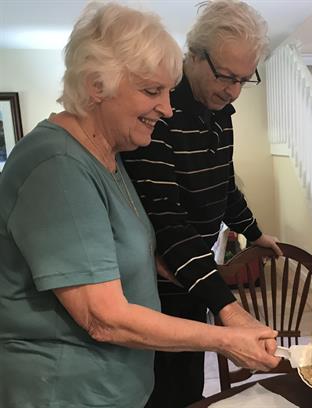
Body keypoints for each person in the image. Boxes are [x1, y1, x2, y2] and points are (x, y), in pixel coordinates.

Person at [0, 3, 279, 408]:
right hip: (63, 392)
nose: (167, 109)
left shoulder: (110, 156)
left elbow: (127, 247)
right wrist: (227, 335)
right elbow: (102, 317)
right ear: (97, 85)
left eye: (168, 92)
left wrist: (175, 271)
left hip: (117, 386)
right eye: (152, 91)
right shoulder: (57, 166)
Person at [122, 0, 283, 406]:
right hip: (159, 283)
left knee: (190, 384)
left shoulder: (220, 110)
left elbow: (223, 183)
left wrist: (254, 232)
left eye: (244, 80)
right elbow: (167, 223)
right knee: (162, 391)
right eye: (226, 76)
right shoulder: (157, 113)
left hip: (195, 275)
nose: (233, 91)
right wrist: (229, 310)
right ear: (193, 55)